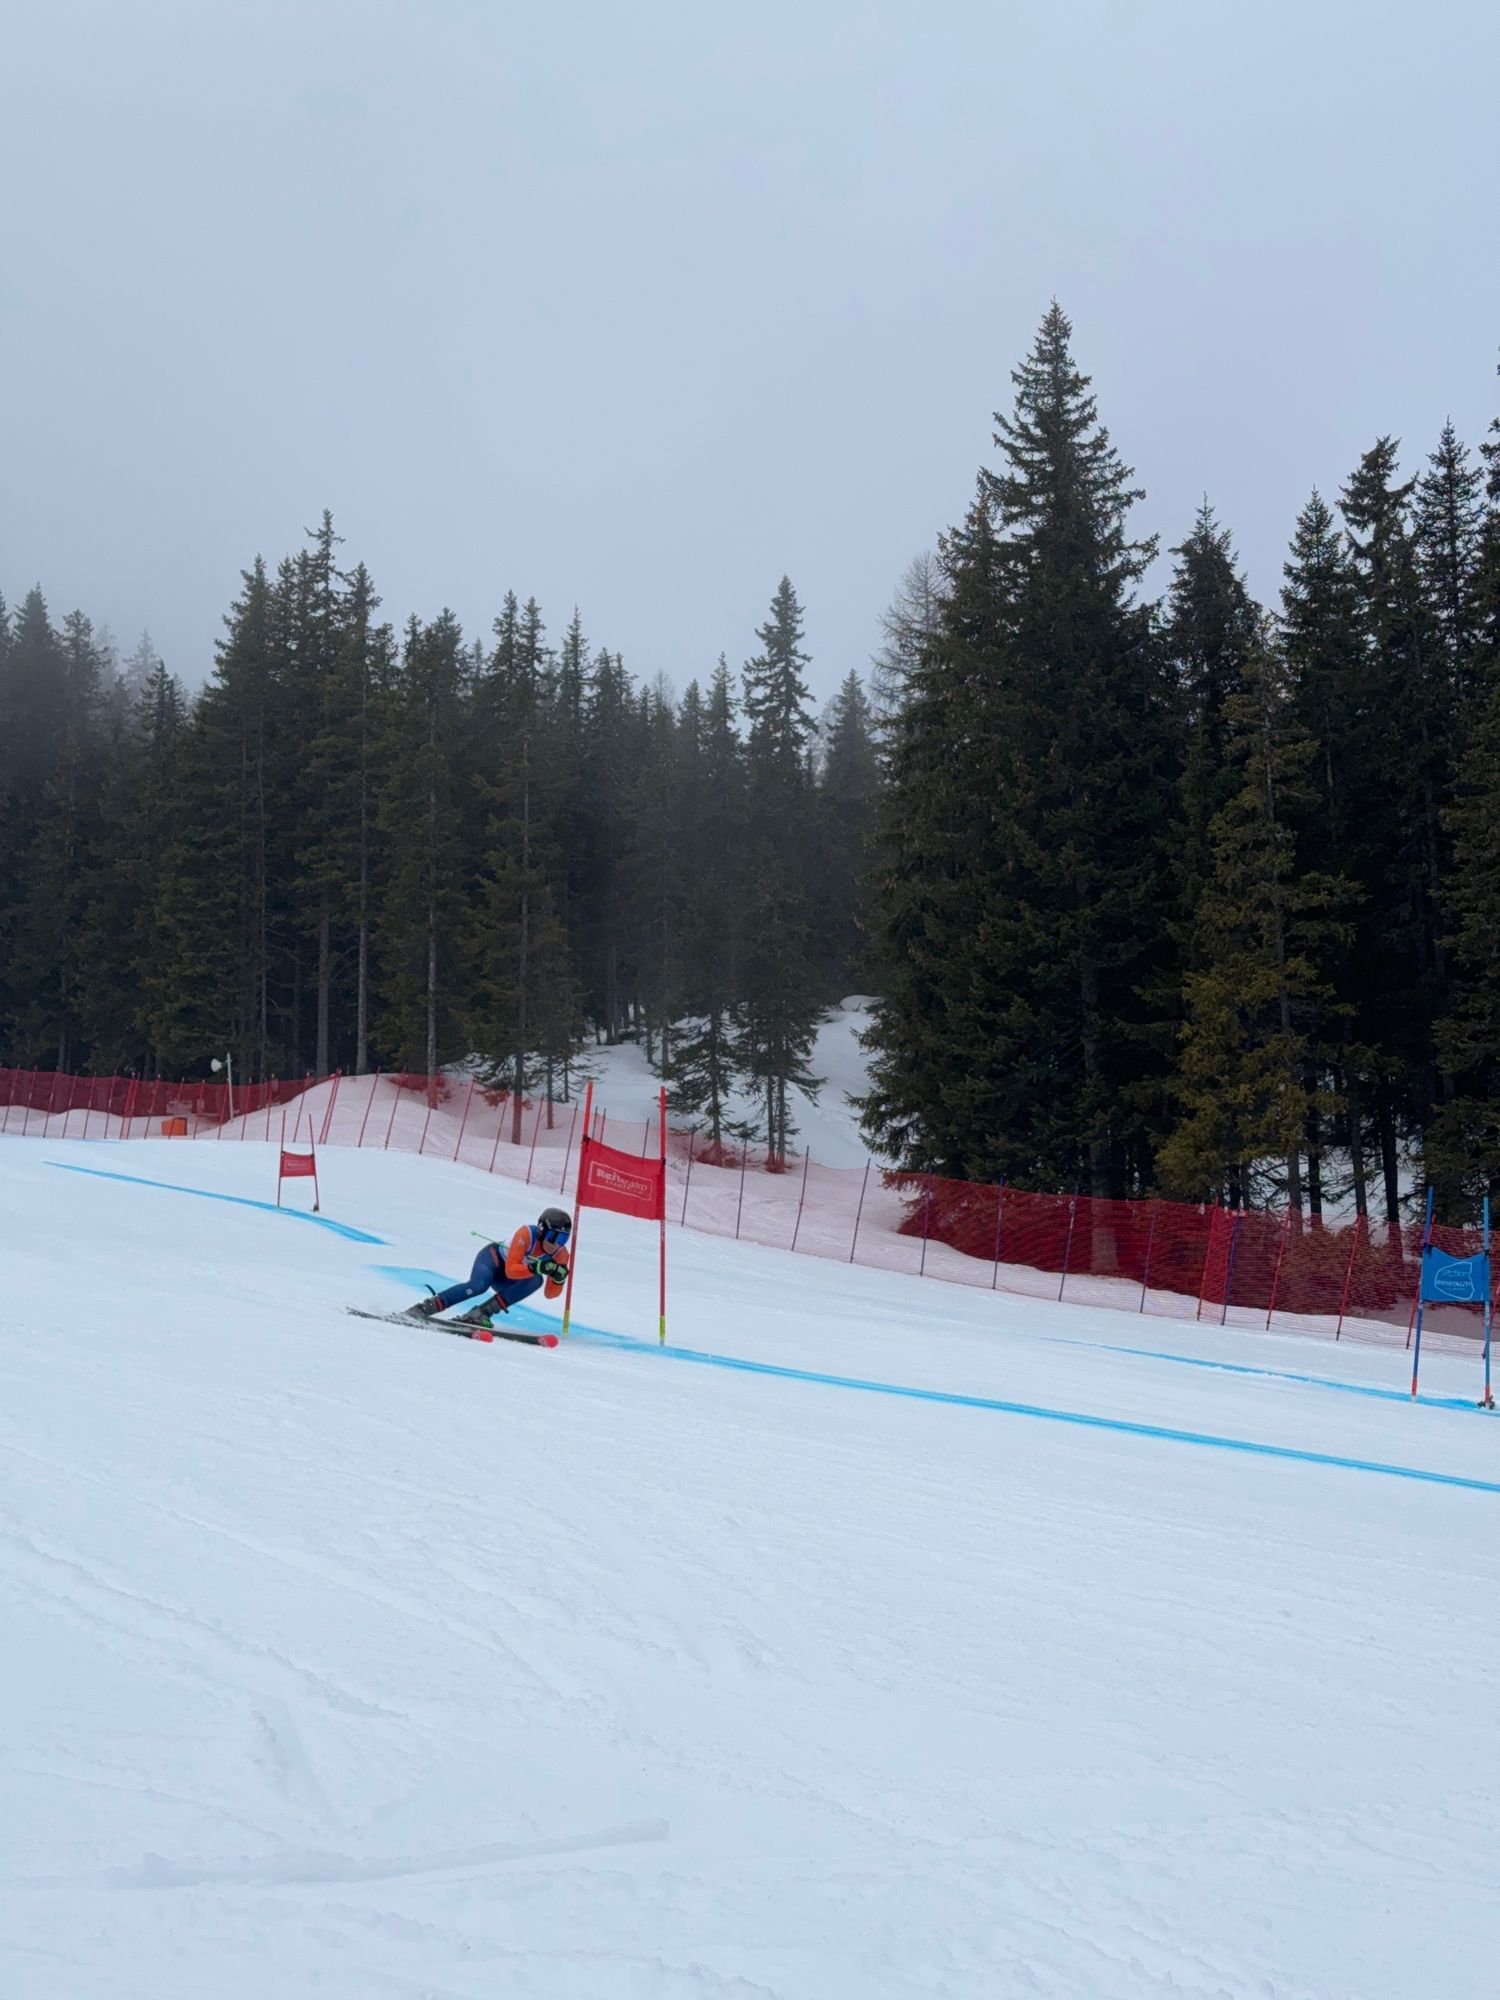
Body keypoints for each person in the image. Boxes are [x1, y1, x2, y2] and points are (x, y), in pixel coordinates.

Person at [405, 1208, 572, 1328]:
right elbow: (511, 1270)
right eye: (553, 1236)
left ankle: (481, 1313)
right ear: (542, 1231)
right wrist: (536, 1267)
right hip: (494, 1261)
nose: (556, 1244)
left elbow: (550, 1294)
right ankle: (426, 1307)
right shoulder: (527, 1234)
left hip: (508, 1280)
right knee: (478, 1286)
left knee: (536, 1280)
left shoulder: (561, 1254)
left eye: (563, 1239)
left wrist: (559, 1279)